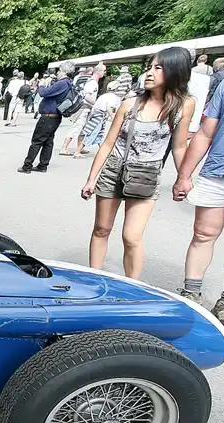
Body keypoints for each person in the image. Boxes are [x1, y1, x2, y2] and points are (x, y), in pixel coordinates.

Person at [80, 47, 195, 280]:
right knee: (101, 229)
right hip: (114, 169)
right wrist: (92, 179)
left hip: (146, 174)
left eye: (158, 68)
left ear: (175, 72)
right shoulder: (130, 103)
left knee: (131, 236)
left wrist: (184, 178)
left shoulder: (184, 105)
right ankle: (93, 280)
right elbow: (107, 144)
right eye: (149, 67)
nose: (150, 73)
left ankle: (133, 287)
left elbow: (180, 146)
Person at [173, 68, 224, 331]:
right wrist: (184, 175)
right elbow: (205, 133)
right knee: (203, 233)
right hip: (218, 172)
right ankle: (191, 293)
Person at [18, 61, 76, 174]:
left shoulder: (62, 83)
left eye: (59, 70)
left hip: (49, 116)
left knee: (37, 141)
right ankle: (43, 165)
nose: (57, 73)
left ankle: (27, 165)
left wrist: (41, 86)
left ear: (64, 71)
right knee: (48, 141)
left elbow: (44, 92)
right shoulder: (68, 83)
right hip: (55, 116)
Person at [61, 63, 106, 155]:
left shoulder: (91, 81)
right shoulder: (92, 82)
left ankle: (79, 148)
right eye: (104, 70)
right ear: (99, 71)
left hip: (86, 108)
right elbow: (87, 96)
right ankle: (64, 148)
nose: (105, 73)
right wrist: (97, 104)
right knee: (76, 128)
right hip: (83, 108)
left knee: (83, 130)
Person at [74, 80, 121, 157]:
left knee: (99, 134)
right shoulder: (113, 97)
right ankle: (78, 151)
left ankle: (105, 151)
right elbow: (109, 107)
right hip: (100, 115)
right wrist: (113, 117)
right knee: (93, 133)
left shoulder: (103, 96)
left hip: (95, 114)